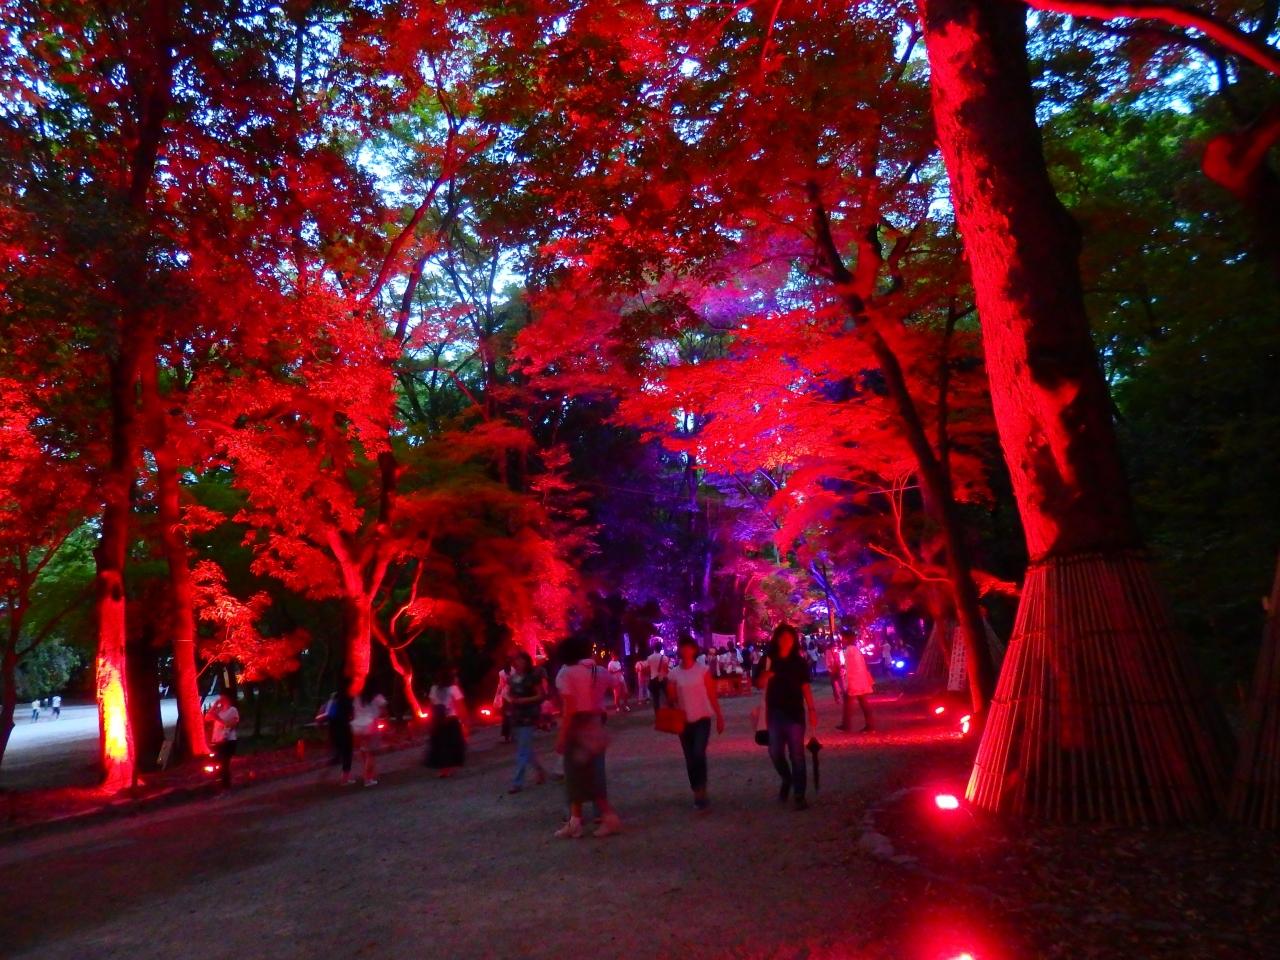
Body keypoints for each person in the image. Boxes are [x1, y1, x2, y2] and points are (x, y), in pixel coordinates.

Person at [554, 634, 622, 838]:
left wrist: (562, 735)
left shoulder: (565, 673)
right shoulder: (597, 671)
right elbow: (616, 683)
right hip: (595, 723)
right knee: (589, 774)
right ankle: (578, 820)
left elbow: (569, 708)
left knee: (577, 776)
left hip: (577, 726)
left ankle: (604, 818)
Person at [753, 624, 818, 810]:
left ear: (794, 640)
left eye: (789, 638)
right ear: (777, 639)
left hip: (795, 712)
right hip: (774, 712)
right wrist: (765, 676)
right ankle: (786, 778)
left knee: (797, 754)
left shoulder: (799, 662)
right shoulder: (768, 659)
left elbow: (805, 686)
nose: (785, 641)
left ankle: (799, 794)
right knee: (775, 752)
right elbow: (758, 683)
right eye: (782, 638)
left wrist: (812, 709)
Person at [666, 635, 725, 810]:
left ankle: (702, 788)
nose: (686, 651)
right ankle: (696, 790)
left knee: (698, 753)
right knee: (690, 757)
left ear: (694, 649)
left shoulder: (703, 670)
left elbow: (711, 695)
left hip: (702, 718)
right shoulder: (674, 673)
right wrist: (670, 697)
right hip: (683, 721)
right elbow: (671, 698)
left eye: (689, 647)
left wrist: (719, 716)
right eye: (683, 647)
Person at [507, 651, 548, 793]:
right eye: (516, 660)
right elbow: (510, 694)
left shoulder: (532, 678)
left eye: (521, 660)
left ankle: (517, 782)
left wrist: (524, 700)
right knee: (525, 748)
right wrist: (510, 700)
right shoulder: (512, 679)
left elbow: (541, 695)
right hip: (516, 715)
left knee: (522, 750)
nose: (518, 663)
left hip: (529, 715)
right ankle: (539, 770)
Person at [425, 671, 468, 777]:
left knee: (441, 745)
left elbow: (432, 705)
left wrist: (431, 721)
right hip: (451, 720)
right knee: (452, 744)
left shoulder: (434, 689)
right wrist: (464, 722)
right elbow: (460, 706)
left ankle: (444, 769)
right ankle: (450, 767)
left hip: (438, 720)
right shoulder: (453, 689)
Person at [837, 628, 876, 733]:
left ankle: (849, 725)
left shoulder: (849, 650)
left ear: (847, 638)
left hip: (855, 681)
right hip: (860, 680)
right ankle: (850, 724)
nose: (841, 640)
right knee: (861, 702)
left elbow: (850, 669)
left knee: (857, 703)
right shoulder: (855, 649)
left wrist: (848, 684)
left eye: (842, 637)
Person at [351, 682, 388, 785]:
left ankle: (369, 774)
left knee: (364, 751)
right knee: (371, 753)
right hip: (371, 725)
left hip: (358, 725)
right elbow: (384, 710)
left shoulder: (357, 697)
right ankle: (367, 778)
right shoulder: (377, 697)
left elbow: (354, 712)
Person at [205, 691, 240, 790]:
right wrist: (215, 706)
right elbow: (207, 718)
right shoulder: (218, 710)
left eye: (222, 698)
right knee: (218, 762)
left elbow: (232, 724)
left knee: (224, 762)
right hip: (218, 740)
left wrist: (219, 719)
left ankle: (226, 784)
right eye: (220, 698)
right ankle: (221, 782)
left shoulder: (232, 710)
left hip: (228, 740)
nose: (220, 700)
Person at [645, 641, 669, 714]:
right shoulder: (665, 658)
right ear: (661, 648)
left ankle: (657, 714)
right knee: (668, 696)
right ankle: (670, 711)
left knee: (656, 699)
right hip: (663, 679)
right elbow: (666, 670)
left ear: (654, 648)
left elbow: (647, 669)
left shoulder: (649, 658)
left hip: (654, 679)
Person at [495, 656, 514, 743]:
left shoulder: (514, 671)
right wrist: (497, 695)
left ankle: (512, 734)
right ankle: (507, 735)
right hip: (506, 696)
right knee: (507, 716)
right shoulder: (501, 673)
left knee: (512, 715)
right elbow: (500, 685)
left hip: (513, 694)